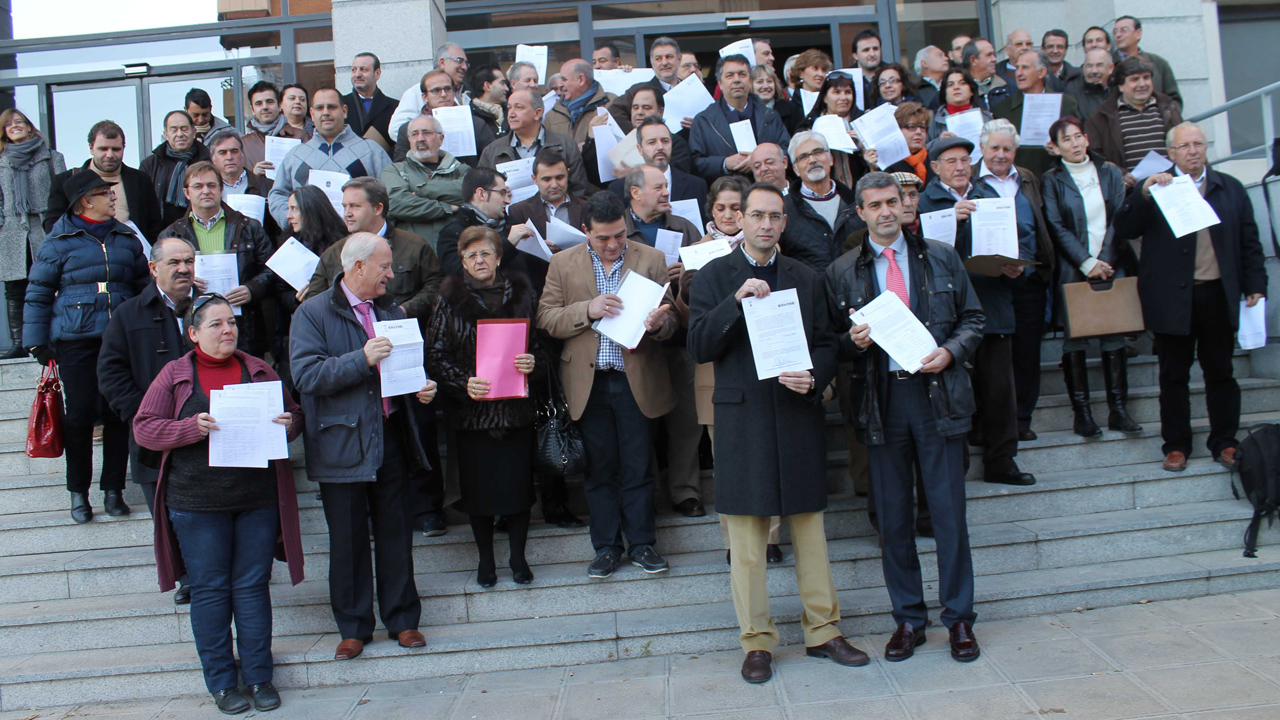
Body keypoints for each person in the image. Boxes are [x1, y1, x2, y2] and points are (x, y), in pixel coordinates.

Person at [688, 181, 864, 685]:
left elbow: (828, 344)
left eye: (775, 216)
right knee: (746, 538)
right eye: (757, 215)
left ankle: (823, 631)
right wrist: (735, 302)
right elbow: (698, 345)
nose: (766, 224)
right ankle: (757, 642)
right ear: (740, 219)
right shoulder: (715, 275)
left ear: (785, 223)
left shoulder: (806, 278)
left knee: (809, 529)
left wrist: (816, 377)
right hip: (742, 417)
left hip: (795, 411)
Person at [827, 171, 985, 665]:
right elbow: (829, 344)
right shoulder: (843, 272)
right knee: (893, 519)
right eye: (874, 205)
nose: (886, 212)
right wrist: (849, 345)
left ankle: (959, 619)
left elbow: (973, 319)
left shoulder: (941, 256)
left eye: (893, 202)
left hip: (935, 394)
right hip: (881, 402)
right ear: (861, 213)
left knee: (947, 514)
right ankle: (908, 620)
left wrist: (952, 352)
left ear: (906, 203)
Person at [132, 293, 303, 715]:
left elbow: (295, 415)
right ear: (193, 333)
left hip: (256, 499)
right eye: (216, 324)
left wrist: (290, 423)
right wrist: (190, 428)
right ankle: (223, 684)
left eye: (232, 322)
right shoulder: (174, 375)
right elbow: (144, 429)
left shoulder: (258, 369)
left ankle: (260, 677)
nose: (228, 330)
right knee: (209, 592)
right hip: (196, 503)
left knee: (251, 588)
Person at [290, 231, 439, 661]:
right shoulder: (313, 313)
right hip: (340, 441)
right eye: (385, 267)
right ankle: (354, 627)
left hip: (389, 435)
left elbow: (405, 369)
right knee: (349, 539)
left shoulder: (390, 309)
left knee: (396, 533)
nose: (392, 275)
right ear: (357, 267)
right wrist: (362, 358)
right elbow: (306, 377)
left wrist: (420, 387)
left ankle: (403, 620)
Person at [536, 191, 677, 579]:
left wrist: (660, 324)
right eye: (603, 238)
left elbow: (673, 322)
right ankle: (606, 548)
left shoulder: (651, 259)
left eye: (620, 235)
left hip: (638, 377)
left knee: (639, 466)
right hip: (589, 381)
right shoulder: (563, 264)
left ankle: (643, 544)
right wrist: (588, 309)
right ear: (585, 232)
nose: (614, 244)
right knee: (599, 471)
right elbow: (546, 318)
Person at [1114, 122, 1267, 472]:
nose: (1193, 150)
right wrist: (1143, 193)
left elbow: (1250, 241)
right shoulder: (1156, 186)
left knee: (1221, 373)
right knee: (1173, 376)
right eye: (1184, 146)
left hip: (1217, 293)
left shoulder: (1228, 187)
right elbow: (1125, 228)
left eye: (1198, 143)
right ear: (1171, 153)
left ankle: (1225, 442)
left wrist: (1256, 284)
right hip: (1171, 298)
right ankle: (1177, 445)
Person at [24, 172, 150, 523]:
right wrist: (36, 341)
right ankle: (78, 492)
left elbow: (143, 287)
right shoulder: (58, 241)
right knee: (78, 417)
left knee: (118, 413)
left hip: (120, 338)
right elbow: (37, 293)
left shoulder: (126, 237)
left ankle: (113, 490)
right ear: (85, 201)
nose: (113, 197)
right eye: (104, 193)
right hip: (76, 339)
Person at [426, 225, 547, 586]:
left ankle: (518, 559)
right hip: (472, 412)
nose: (480, 260)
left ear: (498, 257)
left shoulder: (523, 291)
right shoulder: (447, 296)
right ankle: (486, 562)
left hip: (516, 409)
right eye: (472, 255)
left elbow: (543, 346)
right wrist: (463, 382)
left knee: (518, 489)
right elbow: (435, 354)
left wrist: (533, 362)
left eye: (486, 253)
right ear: (462, 261)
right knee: (479, 493)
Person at [918, 136, 1035, 487]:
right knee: (955, 393)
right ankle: (960, 466)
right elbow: (917, 247)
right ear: (935, 167)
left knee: (1000, 389)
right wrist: (949, 219)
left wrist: (1017, 264)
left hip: (991, 304)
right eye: (951, 161)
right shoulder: (926, 201)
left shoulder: (990, 196)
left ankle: (1002, 460)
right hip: (946, 315)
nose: (960, 167)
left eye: (965, 160)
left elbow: (1021, 237)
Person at [1040, 116, 1138, 439]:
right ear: (1055, 148)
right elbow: (1056, 225)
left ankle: (1118, 410)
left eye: (1079, 136)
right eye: (1067, 139)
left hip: (1112, 263)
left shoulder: (1109, 172)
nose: (1076, 143)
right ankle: (1082, 413)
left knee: (1114, 337)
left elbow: (1120, 217)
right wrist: (1086, 262)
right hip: (1074, 268)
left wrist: (1105, 259)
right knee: (1075, 340)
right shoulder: (1052, 180)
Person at [97, 236, 194, 518]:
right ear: (153, 268)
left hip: (207, 440)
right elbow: (110, 372)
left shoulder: (212, 308)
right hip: (154, 446)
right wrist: (144, 413)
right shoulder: (129, 314)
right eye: (174, 262)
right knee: (169, 537)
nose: (184, 269)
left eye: (189, 261)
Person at [975, 120, 1055, 442]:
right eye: (994, 147)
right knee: (989, 356)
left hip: (1029, 279)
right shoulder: (970, 181)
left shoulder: (1027, 179)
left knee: (1026, 353)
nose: (1001, 154)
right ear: (982, 148)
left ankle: (1022, 418)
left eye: (1007, 148)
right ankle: (987, 421)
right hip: (988, 282)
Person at [157, 161, 275, 358]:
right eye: (198, 186)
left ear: (221, 189)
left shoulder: (249, 227)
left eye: (212, 185)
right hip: (194, 327)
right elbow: (159, 280)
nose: (206, 191)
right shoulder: (171, 235)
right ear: (187, 193)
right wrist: (184, 282)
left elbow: (273, 270)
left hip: (243, 326)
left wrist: (252, 289)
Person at [267, 87, 392, 229]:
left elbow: (390, 193)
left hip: (359, 241)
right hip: (310, 241)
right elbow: (278, 193)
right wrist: (289, 220)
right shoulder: (295, 156)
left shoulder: (371, 151)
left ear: (344, 111)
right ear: (312, 114)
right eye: (320, 108)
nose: (326, 112)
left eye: (331, 107)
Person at [0, 108, 65, 358]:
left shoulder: (51, 157)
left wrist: (57, 225)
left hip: (44, 229)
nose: (14, 126)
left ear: (29, 127)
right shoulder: (2, 161)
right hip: (12, 232)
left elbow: (61, 192)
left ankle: (50, 338)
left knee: (48, 284)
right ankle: (20, 343)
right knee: (15, 289)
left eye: (19, 122)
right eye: (8, 124)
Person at [437, 167, 551, 294]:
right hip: (480, 311)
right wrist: (507, 244)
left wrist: (541, 251)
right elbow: (460, 275)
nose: (508, 201)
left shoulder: (512, 224)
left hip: (522, 310)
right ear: (481, 194)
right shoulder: (452, 234)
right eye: (502, 193)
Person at [45, 120, 164, 240]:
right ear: (91, 148)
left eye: (116, 149)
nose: (110, 155)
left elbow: (154, 224)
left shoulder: (141, 180)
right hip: (83, 254)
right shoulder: (65, 181)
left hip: (133, 253)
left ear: (124, 148)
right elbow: (52, 225)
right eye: (103, 149)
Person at [1085, 57, 1183, 188]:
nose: (1142, 84)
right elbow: (1094, 157)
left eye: (1146, 78)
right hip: (1131, 194)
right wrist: (1120, 173)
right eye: (1134, 79)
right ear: (1120, 86)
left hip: (1171, 187)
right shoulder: (1101, 118)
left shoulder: (1169, 109)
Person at [690, 54, 790, 183]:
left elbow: (787, 150)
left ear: (750, 80)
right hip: (725, 195)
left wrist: (760, 159)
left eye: (742, 74)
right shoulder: (703, 120)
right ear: (720, 83)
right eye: (729, 75)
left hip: (766, 190)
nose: (736, 80)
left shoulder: (770, 116)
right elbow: (694, 163)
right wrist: (725, 163)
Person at [477, 88, 591, 198]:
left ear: (537, 113)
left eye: (519, 108)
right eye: (509, 108)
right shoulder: (492, 151)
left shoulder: (566, 145)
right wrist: (497, 194)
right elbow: (480, 194)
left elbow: (580, 193)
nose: (511, 114)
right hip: (509, 215)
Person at [383, 114, 466, 251]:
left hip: (455, 254)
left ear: (441, 138)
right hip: (412, 256)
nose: (420, 139)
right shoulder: (394, 170)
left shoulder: (462, 170)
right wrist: (446, 207)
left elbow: (468, 193)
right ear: (409, 140)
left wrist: (422, 191)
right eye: (414, 134)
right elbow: (395, 203)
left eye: (426, 133)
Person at [991, 50, 1080, 178]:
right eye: (1017, 68)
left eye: (1025, 68)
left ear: (1042, 72)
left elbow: (1077, 144)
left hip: (1059, 178)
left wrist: (1060, 147)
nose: (1019, 73)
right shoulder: (1001, 110)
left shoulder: (1065, 104)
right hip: (1020, 181)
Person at [778, 131, 858, 273]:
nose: (812, 160)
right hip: (810, 291)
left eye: (818, 152)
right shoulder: (784, 209)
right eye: (803, 157)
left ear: (831, 159)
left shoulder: (855, 204)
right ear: (796, 169)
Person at [608, 117, 708, 223]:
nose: (660, 147)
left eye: (665, 141)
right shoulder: (619, 189)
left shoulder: (697, 186)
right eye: (652, 142)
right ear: (640, 149)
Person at [390, 68, 494, 165]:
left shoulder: (476, 124)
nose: (443, 94)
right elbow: (401, 167)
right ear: (425, 97)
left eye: (448, 89)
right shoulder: (407, 130)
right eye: (436, 91)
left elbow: (492, 158)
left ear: (454, 92)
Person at [206, 128, 282, 241]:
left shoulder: (268, 186)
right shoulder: (206, 191)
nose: (229, 157)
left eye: (234, 151)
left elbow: (278, 230)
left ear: (242, 155)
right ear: (213, 159)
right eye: (222, 153)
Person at [141, 110, 212, 229]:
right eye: (174, 130)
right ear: (166, 134)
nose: (179, 134)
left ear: (194, 132)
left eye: (184, 129)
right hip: (160, 234)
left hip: (201, 231)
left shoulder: (207, 161)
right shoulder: (151, 164)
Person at [389, 42, 471, 141]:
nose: (464, 67)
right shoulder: (416, 92)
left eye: (466, 63)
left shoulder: (466, 94)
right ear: (442, 63)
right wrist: (426, 140)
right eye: (459, 61)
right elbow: (396, 130)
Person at [800, 71, 865, 189]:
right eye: (837, 92)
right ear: (824, 97)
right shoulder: (808, 127)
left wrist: (863, 145)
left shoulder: (864, 123)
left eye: (848, 92)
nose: (843, 97)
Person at [607, 37, 686, 133]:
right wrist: (636, 135)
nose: (664, 62)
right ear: (652, 63)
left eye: (669, 57)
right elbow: (614, 112)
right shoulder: (639, 90)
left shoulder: (692, 90)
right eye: (658, 58)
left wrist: (696, 124)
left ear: (679, 59)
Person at [508, 147, 587, 239]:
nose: (554, 185)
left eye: (559, 178)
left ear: (567, 174)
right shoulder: (519, 211)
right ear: (535, 179)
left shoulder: (586, 208)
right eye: (547, 179)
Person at [241, 81, 309, 176]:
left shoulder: (300, 136)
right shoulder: (244, 143)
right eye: (258, 104)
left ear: (280, 105)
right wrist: (253, 175)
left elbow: (311, 171)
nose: (265, 107)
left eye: (270, 102)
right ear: (252, 109)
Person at [545, 59, 620, 145]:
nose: (561, 85)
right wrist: (573, 152)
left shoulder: (611, 104)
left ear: (581, 79)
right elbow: (547, 153)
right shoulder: (552, 114)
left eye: (564, 80)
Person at [1111, 16, 1180, 107]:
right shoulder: (1109, 65)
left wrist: (1166, 116)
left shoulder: (1158, 63)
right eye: (1115, 31)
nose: (1118, 35)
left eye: (1124, 30)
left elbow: (1174, 99)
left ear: (1138, 33)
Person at [867, 102, 933, 186]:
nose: (919, 132)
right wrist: (873, 170)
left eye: (923, 127)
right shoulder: (885, 163)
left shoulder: (933, 160)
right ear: (897, 130)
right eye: (912, 127)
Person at [343, 52, 397, 152]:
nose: (357, 74)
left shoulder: (395, 107)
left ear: (377, 74)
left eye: (363, 69)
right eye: (354, 70)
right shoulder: (340, 105)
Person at [1065, 48, 1114, 121]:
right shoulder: (1073, 91)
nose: (1094, 71)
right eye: (1090, 66)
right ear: (1084, 68)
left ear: (1110, 68)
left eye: (1099, 65)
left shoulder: (1119, 89)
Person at [961, 39, 1011, 110]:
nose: (994, 59)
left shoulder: (1008, 87)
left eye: (993, 54)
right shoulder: (959, 91)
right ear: (973, 60)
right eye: (989, 55)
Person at [467, 64, 510, 145]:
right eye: (502, 83)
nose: (506, 88)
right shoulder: (469, 118)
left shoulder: (510, 112)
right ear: (487, 86)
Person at [752, 65, 801, 135]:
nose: (766, 86)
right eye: (760, 82)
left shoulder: (791, 110)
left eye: (769, 81)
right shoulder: (744, 112)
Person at [786, 49, 832, 121]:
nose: (820, 74)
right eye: (815, 68)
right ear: (801, 73)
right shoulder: (789, 108)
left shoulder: (832, 102)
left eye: (823, 69)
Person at [851, 29, 887, 106]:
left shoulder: (893, 72)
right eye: (866, 50)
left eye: (875, 49)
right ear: (855, 55)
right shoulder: (847, 77)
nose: (872, 54)